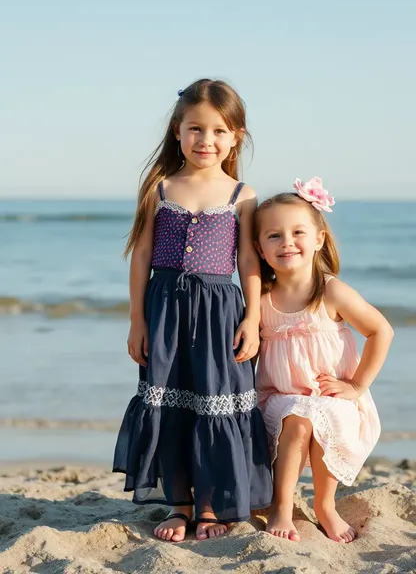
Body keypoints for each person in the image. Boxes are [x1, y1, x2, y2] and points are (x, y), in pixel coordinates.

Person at [113, 79, 272, 543]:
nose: (207, 141)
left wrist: (253, 319)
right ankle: (179, 505)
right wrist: (137, 321)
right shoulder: (160, 188)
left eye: (219, 131)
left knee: (214, 402)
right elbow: (141, 255)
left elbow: (248, 260)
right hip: (164, 312)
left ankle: (209, 506)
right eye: (196, 129)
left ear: (236, 136)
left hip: (221, 311)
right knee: (170, 400)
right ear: (177, 131)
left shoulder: (242, 194)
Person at [254, 177, 393, 543]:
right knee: (298, 417)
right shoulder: (263, 298)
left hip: (333, 396)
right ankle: (281, 506)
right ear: (259, 248)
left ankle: (325, 504)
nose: (287, 242)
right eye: (274, 236)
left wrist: (357, 386)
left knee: (319, 414)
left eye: (298, 232)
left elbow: (381, 331)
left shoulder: (329, 290)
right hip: (279, 398)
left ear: (318, 239)